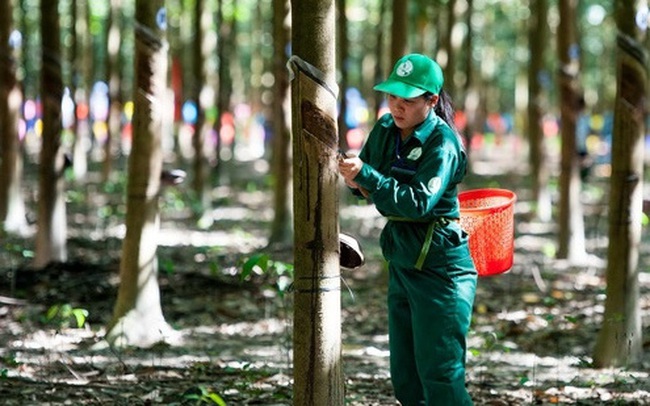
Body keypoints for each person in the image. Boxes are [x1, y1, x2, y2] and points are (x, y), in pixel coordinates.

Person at [338, 53, 477, 405]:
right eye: (393, 97)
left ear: (431, 101)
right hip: (402, 257)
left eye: (409, 100)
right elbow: (365, 183)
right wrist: (356, 179)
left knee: (441, 375)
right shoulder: (386, 129)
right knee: (405, 376)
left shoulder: (443, 143)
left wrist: (366, 177)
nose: (398, 107)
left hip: (440, 266)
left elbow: (417, 203)